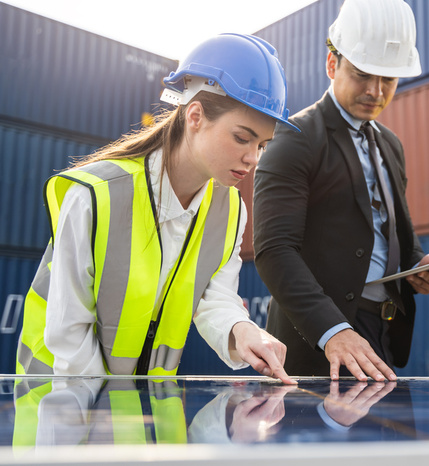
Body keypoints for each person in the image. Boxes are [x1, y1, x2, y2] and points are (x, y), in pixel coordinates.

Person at [15, 33, 296, 383]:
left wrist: (243, 330)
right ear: (195, 116)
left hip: (145, 414)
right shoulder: (96, 195)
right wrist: (104, 421)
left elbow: (214, 297)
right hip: (59, 411)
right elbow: (67, 334)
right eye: (242, 138)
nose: (253, 158)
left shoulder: (230, 211)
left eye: (263, 145)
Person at [253, 0, 429, 382]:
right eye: (363, 75)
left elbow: (390, 234)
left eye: (388, 79)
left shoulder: (390, 144)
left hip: (382, 335)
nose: (376, 91)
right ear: (332, 64)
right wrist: (333, 332)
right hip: (317, 343)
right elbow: (274, 250)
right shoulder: (294, 139)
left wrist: (416, 267)